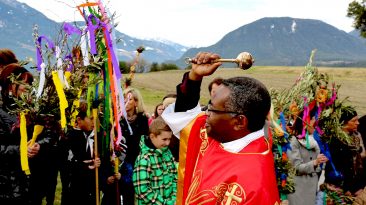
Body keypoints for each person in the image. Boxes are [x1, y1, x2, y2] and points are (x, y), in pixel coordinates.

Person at [162, 52, 280, 204]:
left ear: (239, 122)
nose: (205, 114)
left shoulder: (254, 185)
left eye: (212, 110)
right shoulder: (223, 133)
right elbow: (185, 116)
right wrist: (194, 77)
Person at [0, 63, 40, 204]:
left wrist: (38, 145)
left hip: (30, 183)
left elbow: (46, 135)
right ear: (10, 85)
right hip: (7, 185)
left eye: (29, 83)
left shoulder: (30, 111)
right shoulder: (1, 112)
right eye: (23, 83)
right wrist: (21, 150)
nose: (28, 87)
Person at [286, 109, 328, 205]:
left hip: (311, 187)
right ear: (306, 122)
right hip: (298, 189)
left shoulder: (314, 141)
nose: (316, 127)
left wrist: (321, 162)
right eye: (314, 123)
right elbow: (295, 168)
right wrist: (314, 163)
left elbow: (317, 168)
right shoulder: (294, 141)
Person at [133, 116, 177, 205]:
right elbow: (143, 191)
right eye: (164, 139)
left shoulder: (168, 153)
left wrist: (174, 199)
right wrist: (164, 203)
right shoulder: (144, 159)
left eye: (169, 139)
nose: (168, 143)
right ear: (152, 136)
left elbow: (175, 178)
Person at [325, 107, 366, 198]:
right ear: (344, 123)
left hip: (355, 188)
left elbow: (359, 165)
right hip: (338, 188)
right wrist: (347, 188)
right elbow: (337, 166)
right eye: (354, 120)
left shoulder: (356, 137)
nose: (358, 123)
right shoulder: (335, 140)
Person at [66, 102, 101, 205]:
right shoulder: (71, 136)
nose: (93, 122)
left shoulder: (88, 134)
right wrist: (87, 166)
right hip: (76, 187)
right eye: (90, 119)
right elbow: (70, 162)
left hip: (89, 187)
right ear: (79, 120)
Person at [120, 87, 149, 205]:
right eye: (124, 98)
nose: (126, 101)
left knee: (129, 194)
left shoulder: (142, 119)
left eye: (130, 99)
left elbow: (142, 140)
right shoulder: (118, 119)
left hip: (134, 161)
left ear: (136, 102)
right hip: (119, 159)